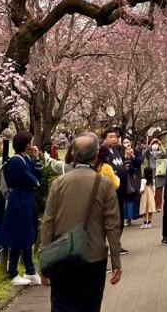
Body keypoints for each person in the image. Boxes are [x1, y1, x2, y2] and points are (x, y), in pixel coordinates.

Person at [39, 133, 122, 312]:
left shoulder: (58, 183)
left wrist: (44, 263)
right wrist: (116, 261)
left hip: (62, 256)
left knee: (62, 305)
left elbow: (48, 223)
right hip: (94, 257)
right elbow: (112, 226)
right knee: (90, 306)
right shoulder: (105, 184)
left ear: (73, 154)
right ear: (96, 154)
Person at [0, 131, 43, 284]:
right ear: (26, 144)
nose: (32, 144)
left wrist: (37, 159)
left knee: (27, 233)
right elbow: (32, 180)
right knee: (20, 234)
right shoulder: (17, 161)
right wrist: (34, 181)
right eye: (30, 142)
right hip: (19, 200)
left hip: (26, 199)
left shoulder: (27, 159)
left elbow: (37, 177)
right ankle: (13, 272)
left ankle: (29, 270)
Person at [100, 128, 130, 254]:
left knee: (120, 217)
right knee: (112, 219)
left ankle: (117, 243)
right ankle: (110, 246)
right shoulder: (103, 151)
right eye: (111, 137)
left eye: (115, 136)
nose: (114, 139)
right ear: (104, 138)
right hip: (111, 191)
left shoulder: (116, 150)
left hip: (121, 190)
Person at [140, 137, 164, 228]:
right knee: (152, 190)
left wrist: (161, 145)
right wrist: (149, 146)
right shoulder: (149, 153)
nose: (155, 145)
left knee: (159, 189)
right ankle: (153, 206)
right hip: (150, 172)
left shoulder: (160, 153)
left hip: (159, 171)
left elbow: (165, 153)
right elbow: (143, 154)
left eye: (155, 144)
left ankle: (158, 206)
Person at [121, 138, 142, 226]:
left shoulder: (136, 152)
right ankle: (125, 217)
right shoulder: (120, 152)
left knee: (132, 195)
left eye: (128, 142)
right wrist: (125, 155)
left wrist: (132, 156)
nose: (126, 144)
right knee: (124, 197)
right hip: (123, 177)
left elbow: (139, 162)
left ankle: (130, 216)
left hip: (133, 177)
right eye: (124, 142)